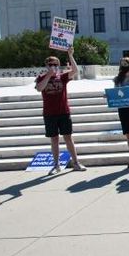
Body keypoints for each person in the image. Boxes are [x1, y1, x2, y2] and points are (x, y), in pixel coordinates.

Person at [34, 47, 87, 175]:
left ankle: (76, 162)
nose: (53, 66)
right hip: (49, 113)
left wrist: (70, 55)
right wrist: (48, 75)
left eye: (56, 64)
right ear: (46, 65)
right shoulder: (41, 77)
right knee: (54, 139)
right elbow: (39, 89)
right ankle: (56, 165)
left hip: (63, 111)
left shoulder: (62, 76)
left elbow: (75, 70)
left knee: (68, 138)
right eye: (51, 64)